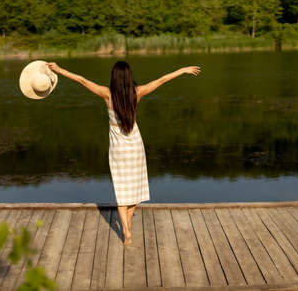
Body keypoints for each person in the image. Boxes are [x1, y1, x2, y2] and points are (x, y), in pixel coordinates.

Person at [47, 61, 201, 245]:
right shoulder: (137, 93)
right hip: (135, 146)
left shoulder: (107, 94)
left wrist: (58, 70)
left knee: (121, 190)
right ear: (129, 77)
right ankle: (127, 222)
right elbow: (161, 80)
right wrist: (182, 70)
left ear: (114, 78)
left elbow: (82, 81)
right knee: (136, 187)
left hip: (118, 149)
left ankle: (126, 231)